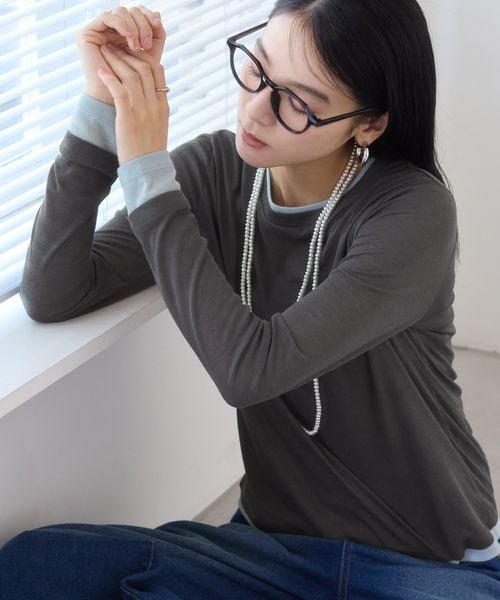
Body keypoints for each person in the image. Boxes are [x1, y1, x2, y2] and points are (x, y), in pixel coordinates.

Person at [1, 0, 499, 597]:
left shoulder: (412, 213)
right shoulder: (218, 170)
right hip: (269, 550)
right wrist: (101, 107)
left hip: (426, 564)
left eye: (298, 103)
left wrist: (148, 172)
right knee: (36, 565)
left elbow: (249, 370)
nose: (256, 110)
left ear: (368, 125)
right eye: (257, 68)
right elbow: (56, 291)